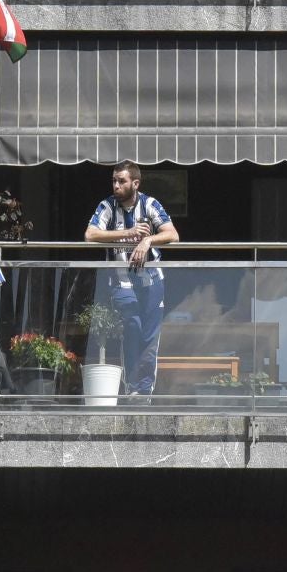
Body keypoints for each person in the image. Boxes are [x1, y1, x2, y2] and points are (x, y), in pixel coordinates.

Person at [84, 161, 180, 396]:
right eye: (114, 181)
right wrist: (128, 233)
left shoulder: (150, 204)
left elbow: (173, 234)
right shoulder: (107, 205)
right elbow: (90, 234)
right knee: (133, 327)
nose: (116, 185)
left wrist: (147, 240)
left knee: (150, 337)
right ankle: (133, 389)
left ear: (135, 183)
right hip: (121, 282)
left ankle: (144, 393)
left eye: (122, 181)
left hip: (153, 281)